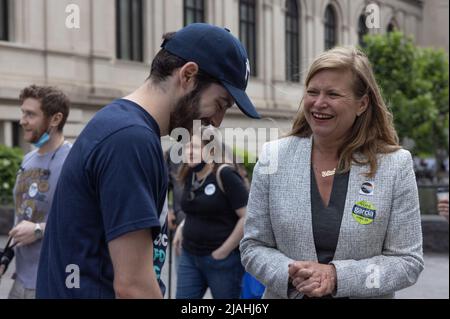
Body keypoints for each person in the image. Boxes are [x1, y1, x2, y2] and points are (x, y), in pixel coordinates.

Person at [36, 23, 260, 299]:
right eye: (221, 104)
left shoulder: (123, 126)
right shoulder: (131, 140)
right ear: (188, 75)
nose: (217, 121)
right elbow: (134, 287)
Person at [240, 47, 424, 299]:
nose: (318, 102)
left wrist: (336, 276)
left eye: (333, 94)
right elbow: (253, 246)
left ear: (362, 104)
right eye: (312, 92)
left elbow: (407, 262)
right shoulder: (274, 156)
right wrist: (292, 274)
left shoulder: (394, 165)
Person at [7, 85, 71, 299]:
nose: (22, 120)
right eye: (22, 112)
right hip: (19, 280)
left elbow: (85, 220)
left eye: (30, 114)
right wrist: (6, 257)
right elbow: (23, 213)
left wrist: (38, 229)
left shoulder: (74, 162)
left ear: (55, 119)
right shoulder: (27, 160)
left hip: (52, 281)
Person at [173, 136, 248, 299]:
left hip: (222, 262)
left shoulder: (224, 174)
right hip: (189, 256)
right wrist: (182, 227)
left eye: (195, 147)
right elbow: (197, 210)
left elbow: (247, 217)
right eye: (187, 147)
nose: (189, 152)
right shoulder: (189, 174)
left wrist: (223, 252)